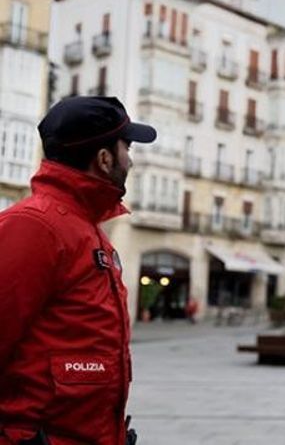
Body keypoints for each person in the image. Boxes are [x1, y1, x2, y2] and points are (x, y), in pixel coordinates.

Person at [0, 97, 156, 445]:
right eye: (126, 147)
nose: (130, 159)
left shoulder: (87, 231)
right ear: (104, 159)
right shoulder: (34, 227)